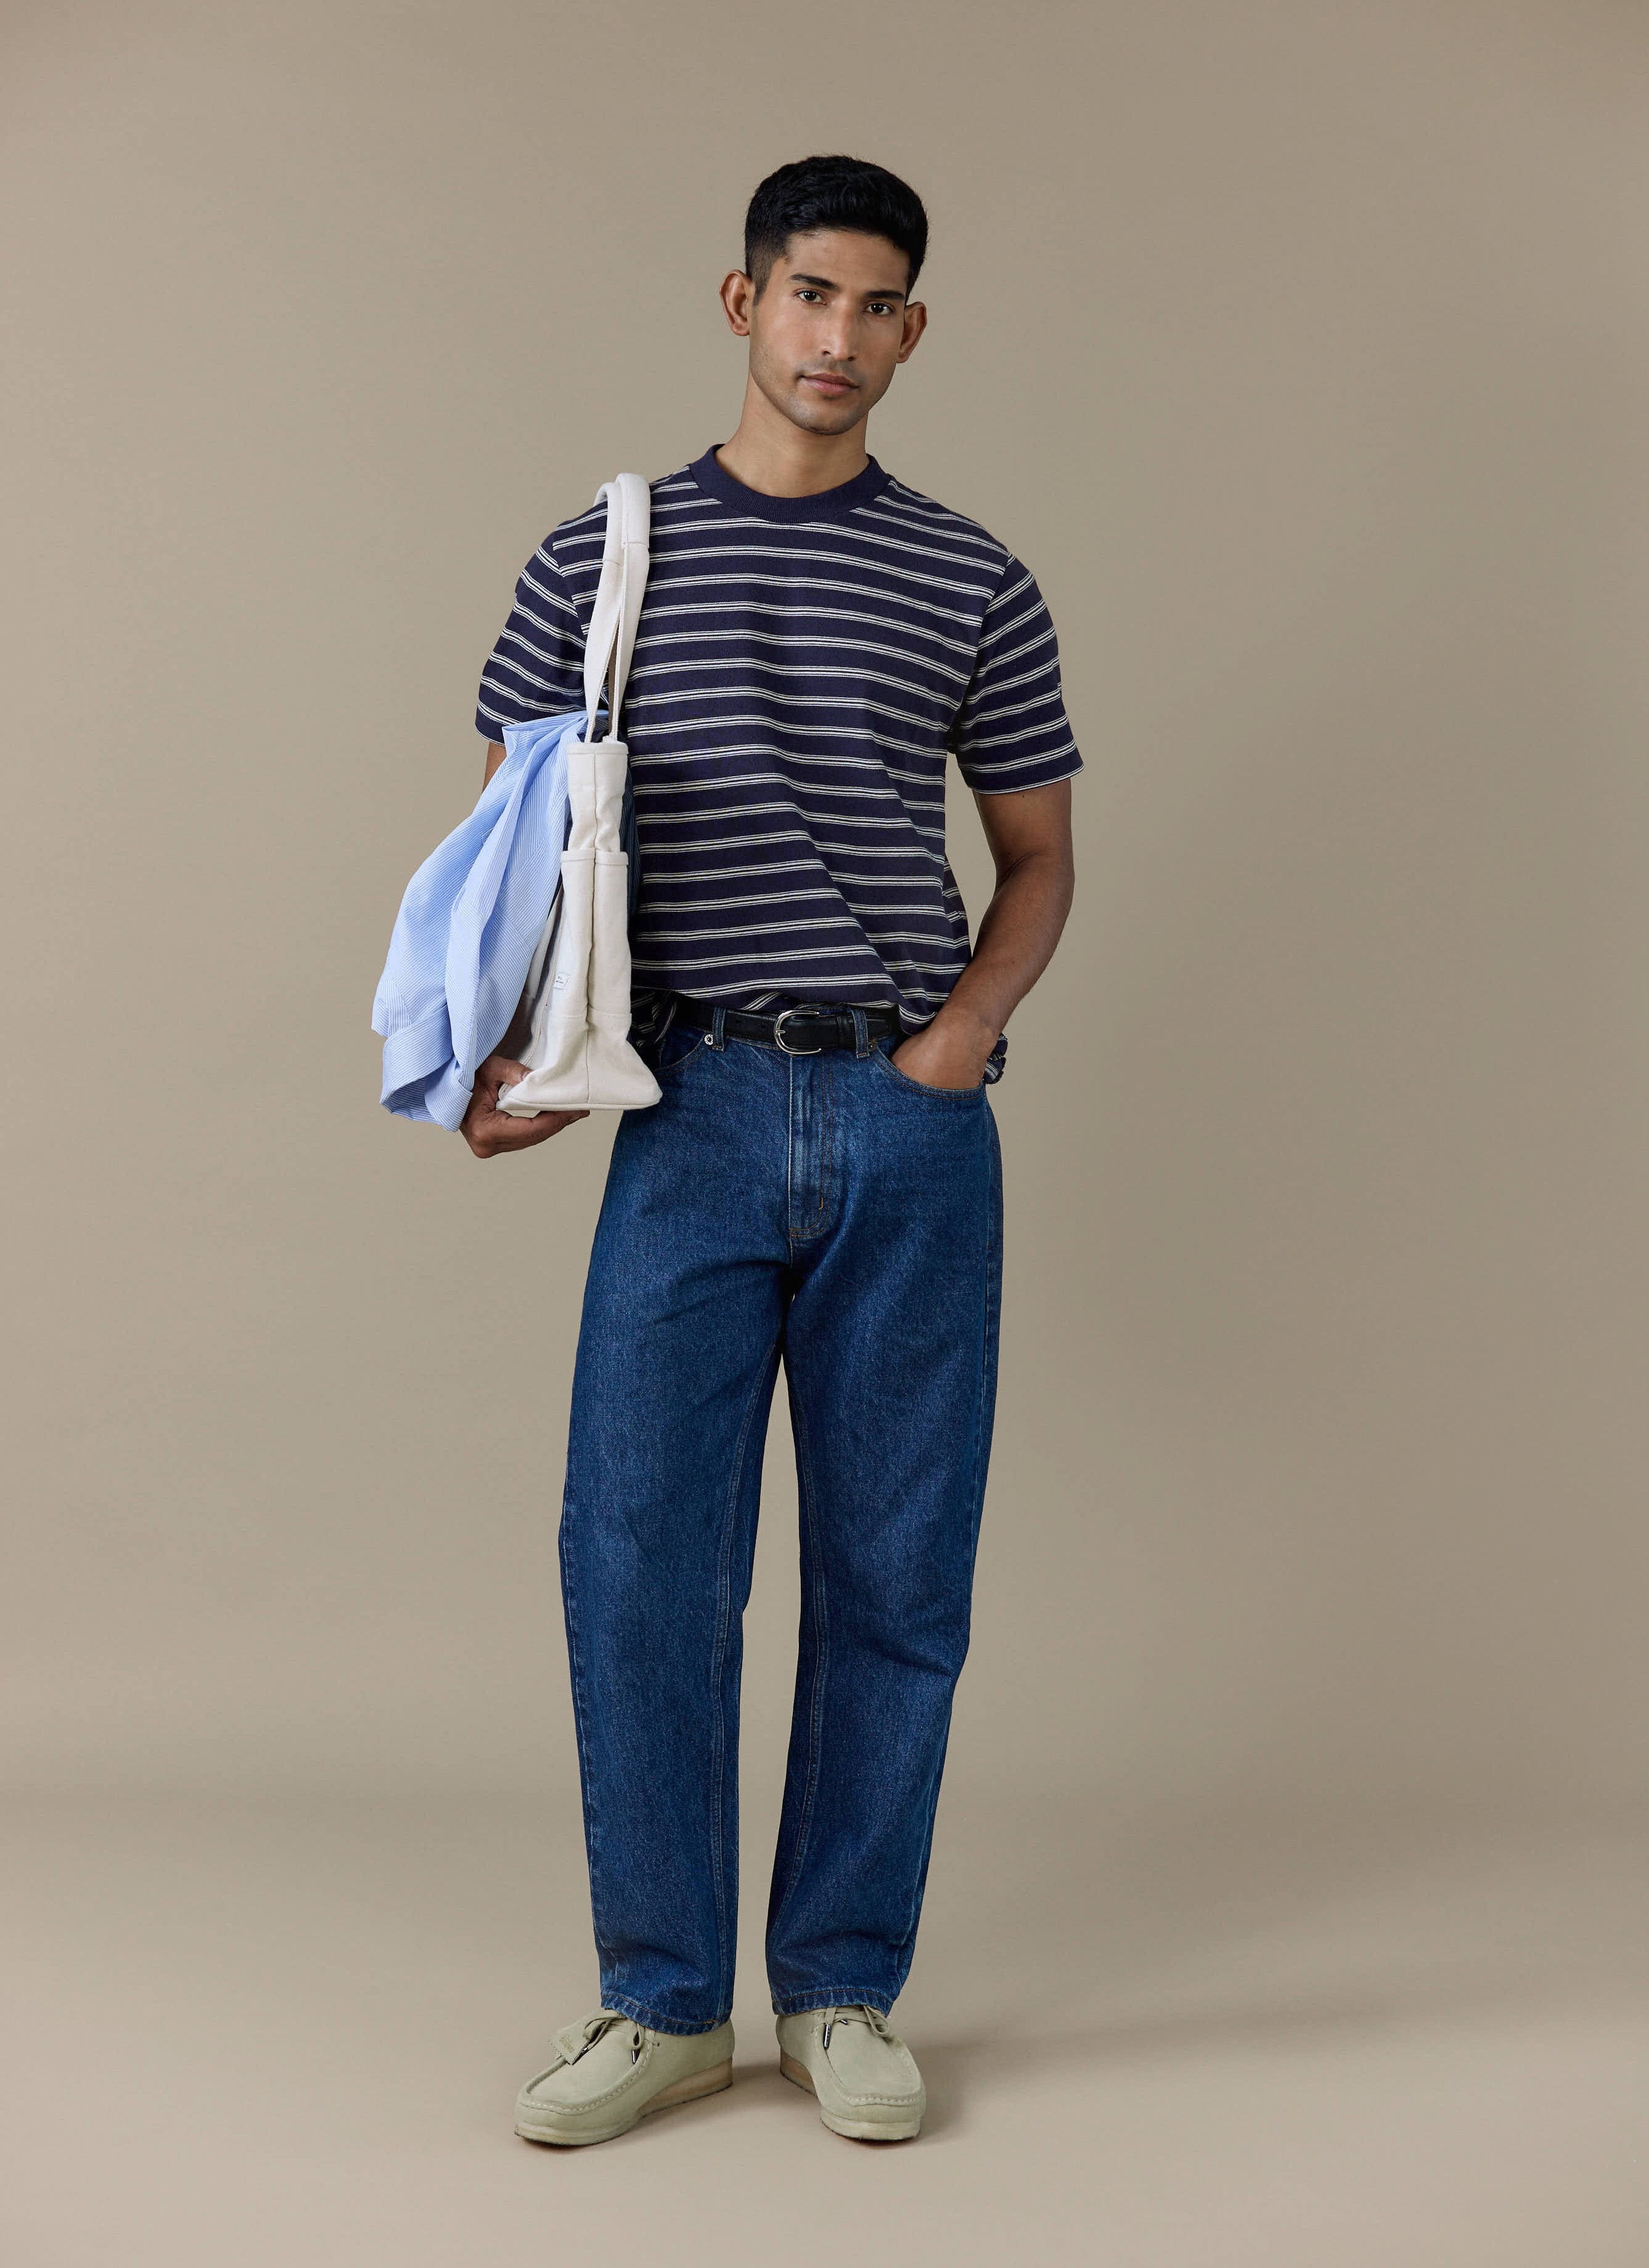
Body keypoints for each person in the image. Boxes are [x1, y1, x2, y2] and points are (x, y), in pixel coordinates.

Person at [464, 154, 1082, 2147]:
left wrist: (961, 1038)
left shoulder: (970, 576)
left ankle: (838, 1991)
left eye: (876, 306)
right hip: (692, 1111)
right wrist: (506, 1058)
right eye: (807, 296)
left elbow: (1040, 857)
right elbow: (515, 853)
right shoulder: (603, 555)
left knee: (898, 1577)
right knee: (640, 1565)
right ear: (742, 305)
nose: (838, 339)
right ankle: (659, 2003)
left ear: (913, 328)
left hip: (908, 1127)